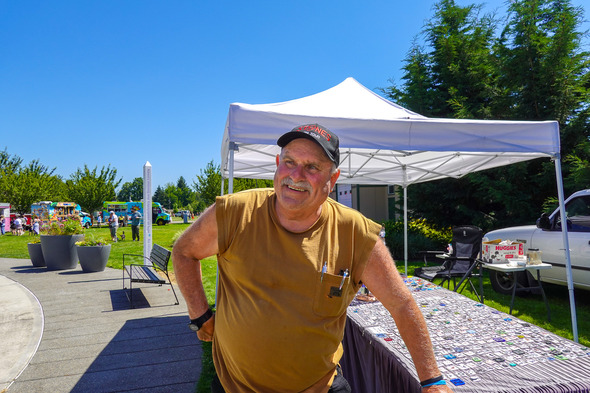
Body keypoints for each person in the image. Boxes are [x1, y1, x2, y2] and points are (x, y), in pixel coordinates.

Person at [173, 124, 453, 393]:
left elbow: (401, 303)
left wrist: (433, 381)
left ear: (332, 180)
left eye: (312, 167)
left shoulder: (355, 233)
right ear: (277, 163)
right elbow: (184, 251)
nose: (296, 175)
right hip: (234, 386)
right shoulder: (234, 212)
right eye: (289, 162)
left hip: (319, 387)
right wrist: (200, 314)